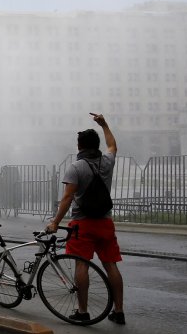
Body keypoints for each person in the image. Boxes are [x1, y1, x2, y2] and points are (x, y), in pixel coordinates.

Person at [46, 113, 125, 325]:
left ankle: (82, 311)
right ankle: (118, 311)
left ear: (80, 146)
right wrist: (105, 124)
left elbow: (67, 197)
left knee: (82, 265)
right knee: (111, 266)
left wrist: (55, 222)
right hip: (105, 222)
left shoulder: (76, 167)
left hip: (82, 223)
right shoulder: (107, 162)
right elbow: (112, 146)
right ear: (96, 145)